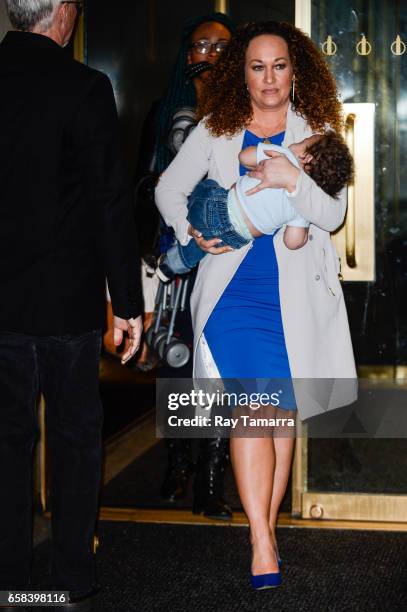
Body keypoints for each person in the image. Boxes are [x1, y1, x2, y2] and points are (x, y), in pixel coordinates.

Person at [156, 20, 357, 589]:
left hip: (292, 296)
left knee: (280, 414)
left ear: (296, 72)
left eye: (280, 66)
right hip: (232, 297)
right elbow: (167, 189)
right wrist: (192, 232)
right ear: (241, 74)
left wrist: (294, 181)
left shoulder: (315, 130)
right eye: (257, 67)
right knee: (256, 411)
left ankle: (266, 525)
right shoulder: (217, 130)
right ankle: (261, 540)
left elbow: (335, 215)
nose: (269, 79)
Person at [0, 1, 143, 610]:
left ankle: (7, 578)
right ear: (61, 14)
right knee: (77, 440)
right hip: (65, 303)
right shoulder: (85, 87)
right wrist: (128, 303)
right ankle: (70, 580)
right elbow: (110, 200)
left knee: (5, 446)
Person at [145, 13, 236, 519]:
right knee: (176, 366)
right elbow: (142, 185)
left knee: (219, 365)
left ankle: (211, 479)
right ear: (186, 54)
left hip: (225, 255)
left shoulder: (246, 115)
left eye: (222, 48)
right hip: (176, 255)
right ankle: (178, 462)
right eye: (200, 45)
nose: (209, 55)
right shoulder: (164, 113)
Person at [157, 132, 353, 280]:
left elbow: (244, 157)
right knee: (203, 246)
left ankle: (177, 253)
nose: (298, 142)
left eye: (303, 142)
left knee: (208, 187)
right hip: (236, 238)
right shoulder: (301, 208)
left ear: (306, 157)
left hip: (215, 206)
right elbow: (292, 242)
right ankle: (170, 266)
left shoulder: (283, 156)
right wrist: (303, 234)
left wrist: (262, 155)